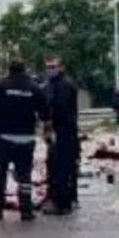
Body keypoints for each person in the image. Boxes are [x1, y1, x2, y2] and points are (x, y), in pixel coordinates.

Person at [0, 60, 48, 221]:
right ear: (24, 70)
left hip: (4, 138)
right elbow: (46, 115)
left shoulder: (0, 86)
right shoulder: (34, 88)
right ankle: (26, 210)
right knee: (24, 176)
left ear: (9, 70)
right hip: (27, 139)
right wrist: (48, 134)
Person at [41, 56, 79, 215]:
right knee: (55, 165)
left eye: (53, 66)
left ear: (61, 67)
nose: (50, 70)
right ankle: (62, 197)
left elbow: (59, 108)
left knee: (61, 166)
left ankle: (62, 202)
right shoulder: (50, 85)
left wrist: (49, 124)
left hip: (64, 130)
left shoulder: (64, 85)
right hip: (59, 130)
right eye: (48, 67)